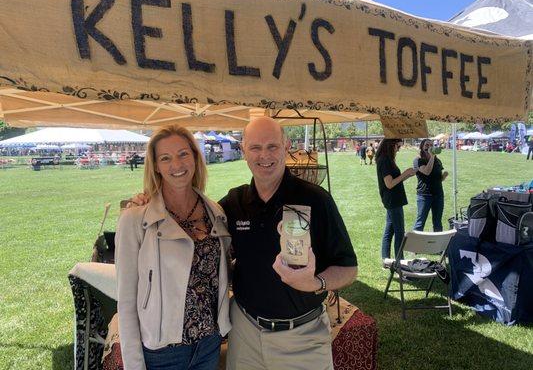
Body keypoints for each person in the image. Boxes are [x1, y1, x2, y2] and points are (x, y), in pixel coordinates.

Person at [129, 118, 358, 370]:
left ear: (286, 146)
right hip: (245, 333)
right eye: (255, 148)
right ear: (243, 150)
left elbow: (348, 269)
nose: (264, 156)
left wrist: (316, 283)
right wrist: (146, 201)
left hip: (301, 337)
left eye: (272, 146)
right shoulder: (232, 204)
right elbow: (197, 233)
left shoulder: (316, 200)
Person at [116, 125, 231, 370]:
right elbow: (126, 301)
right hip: (162, 353)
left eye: (183, 154)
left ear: (195, 156)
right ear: (156, 166)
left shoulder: (216, 213)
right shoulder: (136, 219)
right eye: (165, 158)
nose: (176, 165)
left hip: (209, 344)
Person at [375, 139, 416, 263]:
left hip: (393, 199)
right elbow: (389, 184)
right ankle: (400, 263)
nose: (399, 149)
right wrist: (405, 173)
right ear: (391, 145)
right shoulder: (385, 160)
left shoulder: (387, 159)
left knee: (390, 229)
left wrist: (408, 175)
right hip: (393, 201)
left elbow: (395, 180)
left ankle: (386, 260)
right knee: (399, 233)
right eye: (398, 146)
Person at [412, 139, 448, 232]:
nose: (429, 147)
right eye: (426, 145)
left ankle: (438, 244)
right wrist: (432, 156)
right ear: (422, 147)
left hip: (438, 195)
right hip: (424, 195)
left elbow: (438, 179)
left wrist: (444, 176)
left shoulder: (437, 160)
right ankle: (415, 244)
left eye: (431, 145)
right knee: (420, 222)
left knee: (437, 222)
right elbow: (427, 172)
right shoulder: (418, 160)